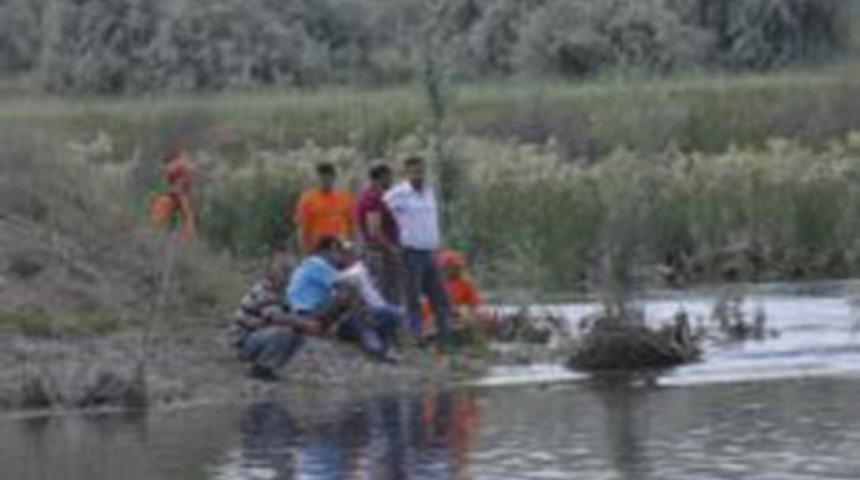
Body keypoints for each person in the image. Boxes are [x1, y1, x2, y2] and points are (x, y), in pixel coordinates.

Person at [286, 236, 399, 362]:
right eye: (341, 252)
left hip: (310, 309)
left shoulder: (312, 264)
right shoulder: (317, 265)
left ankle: (375, 342)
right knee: (350, 292)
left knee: (363, 313)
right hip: (307, 312)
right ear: (332, 249)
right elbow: (343, 284)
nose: (344, 257)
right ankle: (374, 345)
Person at [384, 156, 451, 349]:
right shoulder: (397, 194)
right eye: (414, 171)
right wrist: (394, 243)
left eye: (421, 171)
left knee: (440, 297)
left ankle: (444, 339)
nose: (418, 175)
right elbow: (381, 215)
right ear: (406, 173)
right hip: (410, 252)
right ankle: (416, 337)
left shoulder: (429, 191)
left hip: (430, 251)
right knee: (412, 297)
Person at [231, 252, 321, 382]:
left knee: (299, 335)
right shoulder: (264, 289)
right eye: (283, 271)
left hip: (258, 335)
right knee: (284, 332)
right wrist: (305, 323)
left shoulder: (284, 292)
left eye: (289, 272)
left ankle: (270, 367)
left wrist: (308, 322)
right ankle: (260, 367)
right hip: (244, 339)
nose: (286, 276)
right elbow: (275, 317)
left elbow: (292, 313)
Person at [355, 163, 401, 305]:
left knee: (391, 291)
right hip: (379, 253)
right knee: (382, 292)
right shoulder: (372, 198)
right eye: (387, 178)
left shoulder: (380, 196)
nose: (390, 181)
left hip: (382, 251)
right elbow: (374, 230)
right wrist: (392, 249)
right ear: (378, 179)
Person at [294, 163, 356, 254]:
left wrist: (350, 246)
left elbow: (352, 226)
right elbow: (302, 227)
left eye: (328, 178)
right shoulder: (307, 199)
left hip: (341, 246)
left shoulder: (345, 198)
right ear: (317, 179)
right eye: (322, 178)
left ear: (333, 178)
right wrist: (306, 249)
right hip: (317, 247)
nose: (325, 182)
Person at [149, 145, 196, 241]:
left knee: (186, 218)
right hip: (171, 198)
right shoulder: (165, 199)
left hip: (176, 198)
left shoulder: (182, 200)